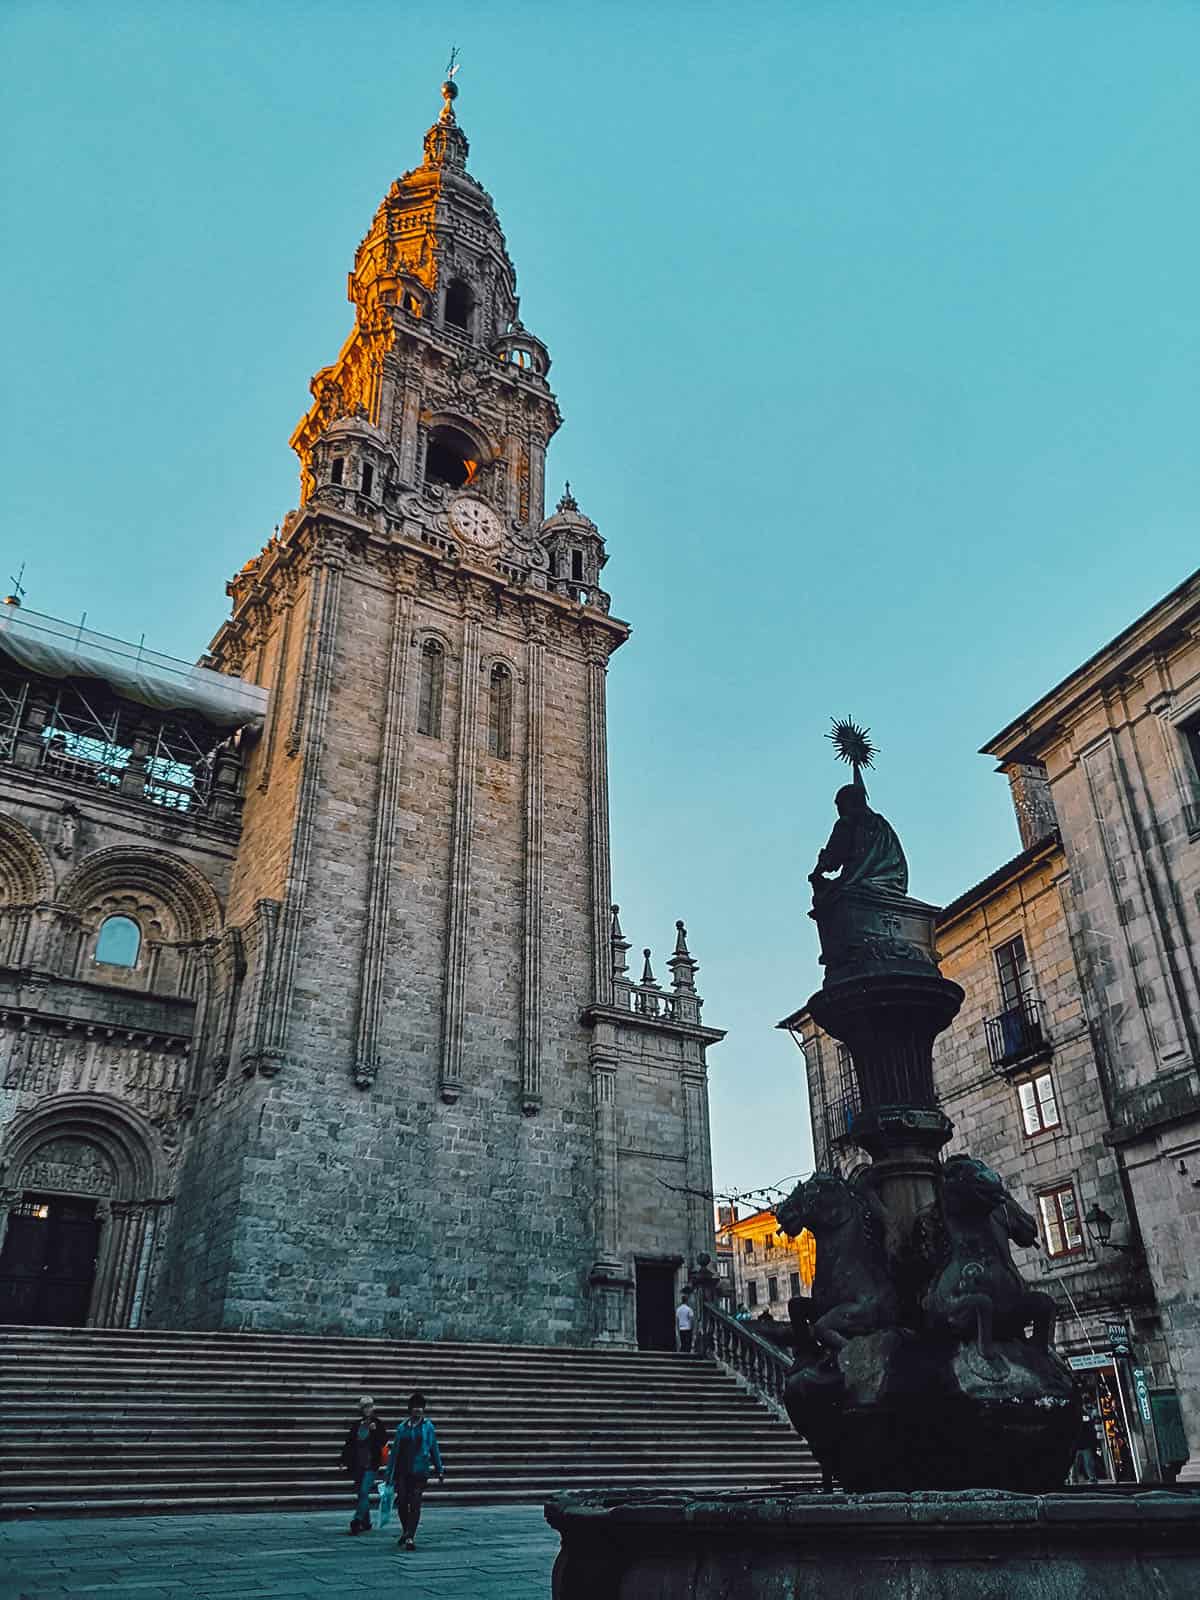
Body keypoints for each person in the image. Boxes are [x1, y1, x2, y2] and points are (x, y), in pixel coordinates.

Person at [387, 1390, 445, 1551]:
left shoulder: (428, 1427)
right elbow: (395, 1452)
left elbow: (434, 1448)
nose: (418, 1410)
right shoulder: (402, 1427)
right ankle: (406, 1530)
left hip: (420, 1471)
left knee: (415, 1502)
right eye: (415, 1407)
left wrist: (439, 1469)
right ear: (410, 1409)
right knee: (402, 1503)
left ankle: (410, 1536)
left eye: (420, 1407)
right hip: (403, 1471)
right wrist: (389, 1473)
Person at [339, 1394, 389, 1534]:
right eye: (365, 1407)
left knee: (363, 1491)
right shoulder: (357, 1425)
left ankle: (357, 1520)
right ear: (361, 1409)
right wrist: (343, 1460)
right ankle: (366, 1522)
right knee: (361, 1494)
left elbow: (383, 1442)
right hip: (357, 1464)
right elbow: (349, 1444)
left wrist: (374, 1431)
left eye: (370, 1406)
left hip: (371, 1464)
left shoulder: (377, 1424)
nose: (368, 1409)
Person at [675, 1289, 695, 1354]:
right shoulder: (689, 1309)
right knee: (688, 1343)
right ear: (687, 1301)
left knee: (683, 1343)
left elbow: (677, 1320)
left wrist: (677, 1329)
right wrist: (692, 1328)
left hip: (681, 1328)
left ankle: (682, 1355)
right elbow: (691, 1319)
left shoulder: (678, 1309)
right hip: (688, 1328)